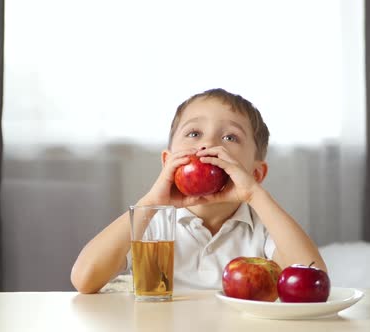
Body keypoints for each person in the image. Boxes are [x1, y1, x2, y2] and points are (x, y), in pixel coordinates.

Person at [71, 88, 327, 293]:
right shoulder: (152, 223)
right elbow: (84, 278)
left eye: (230, 137)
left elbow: (313, 279)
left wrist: (254, 195)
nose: (208, 144)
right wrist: (152, 201)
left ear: (256, 173)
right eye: (194, 133)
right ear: (167, 162)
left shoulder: (262, 229)